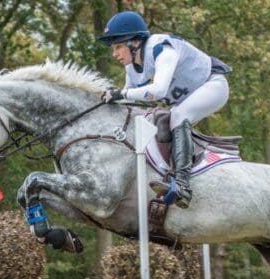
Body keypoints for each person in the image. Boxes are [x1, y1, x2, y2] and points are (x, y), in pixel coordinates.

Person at [98, 11, 231, 208]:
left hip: (213, 86)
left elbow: (158, 91)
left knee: (178, 115)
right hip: (186, 99)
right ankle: (172, 174)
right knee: (159, 120)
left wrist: (122, 94)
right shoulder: (131, 68)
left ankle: (183, 186)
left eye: (118, 47)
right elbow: (128, 100)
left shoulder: (161, 49)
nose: (114, 53)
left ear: (134, 43)